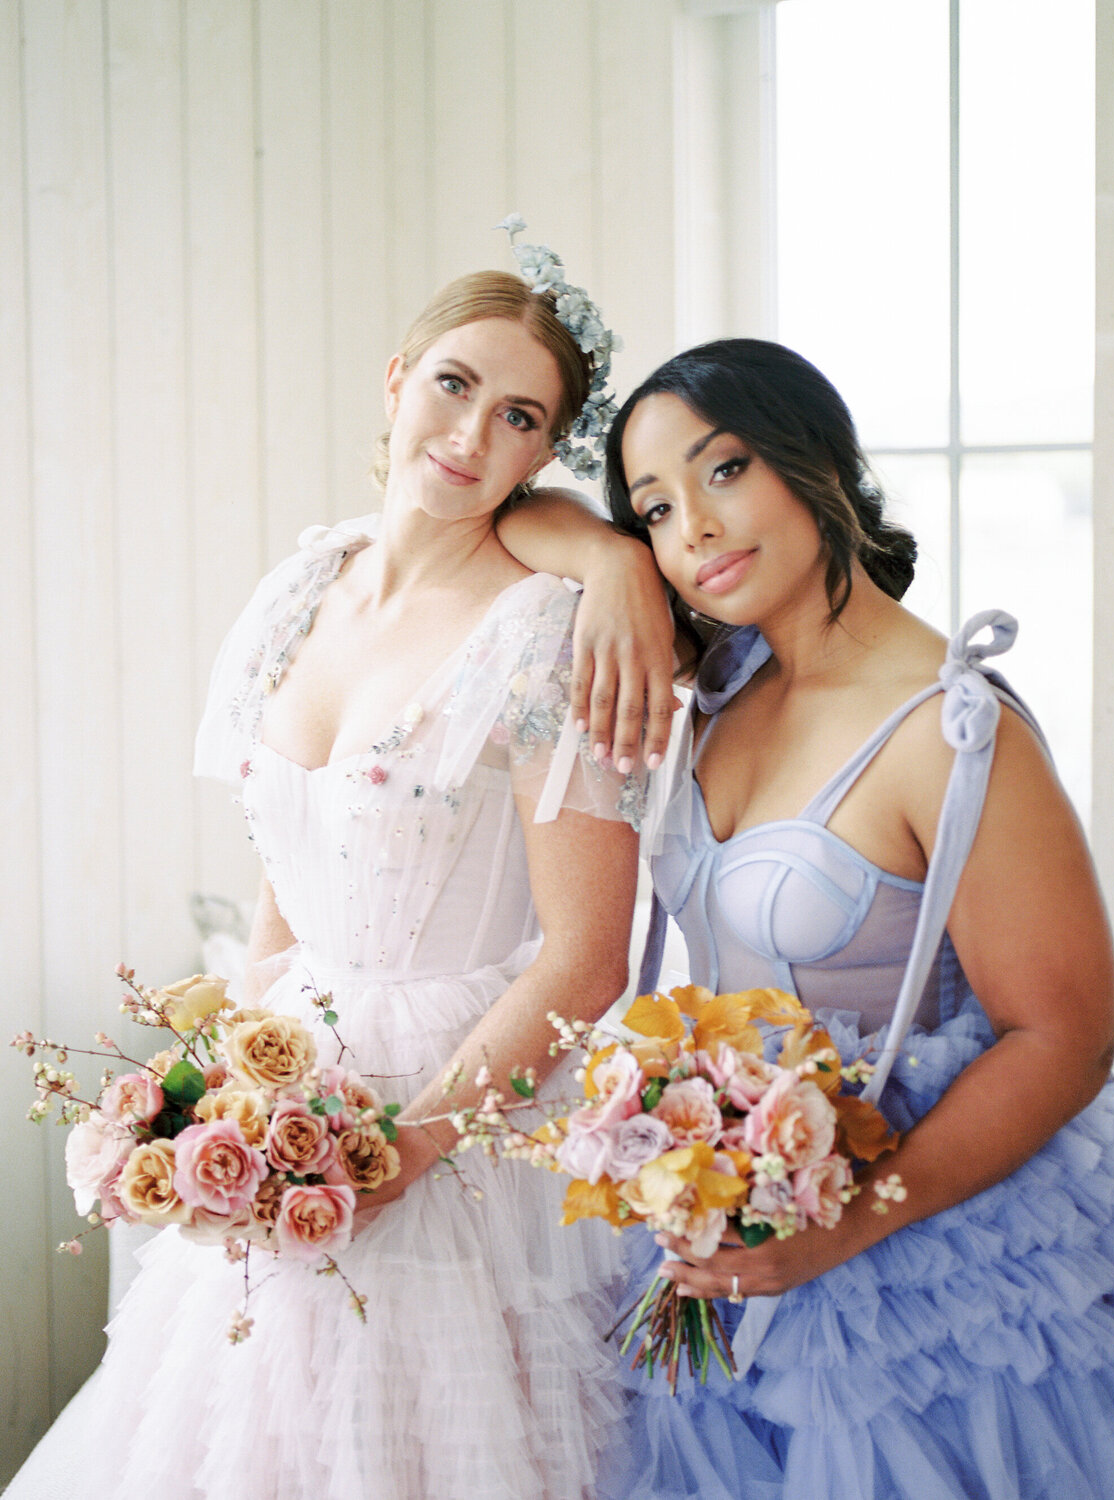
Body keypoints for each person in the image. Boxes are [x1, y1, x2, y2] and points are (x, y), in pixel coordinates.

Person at [505, 337, 1114, 1499]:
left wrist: (843, 1225)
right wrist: (611, 564)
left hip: (925, 1264)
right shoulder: (716, 697)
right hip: (717, 1232)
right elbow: (494, 513)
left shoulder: (952, 726)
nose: (697, 532)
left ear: (812, 459)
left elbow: (1065, 1038)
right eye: (658, 509)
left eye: (724, 472)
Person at [7, 246, 645, 1500]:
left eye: (520, 418)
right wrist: (224, 1076)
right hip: (291, 1071)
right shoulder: (307, 584)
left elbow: (587, 955)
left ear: (544, 457)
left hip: (455, 1119)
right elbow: (284, 879)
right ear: (398, 378)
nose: (470, 433)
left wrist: (405, 1153)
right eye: (454, 385)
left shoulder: (545, 636)